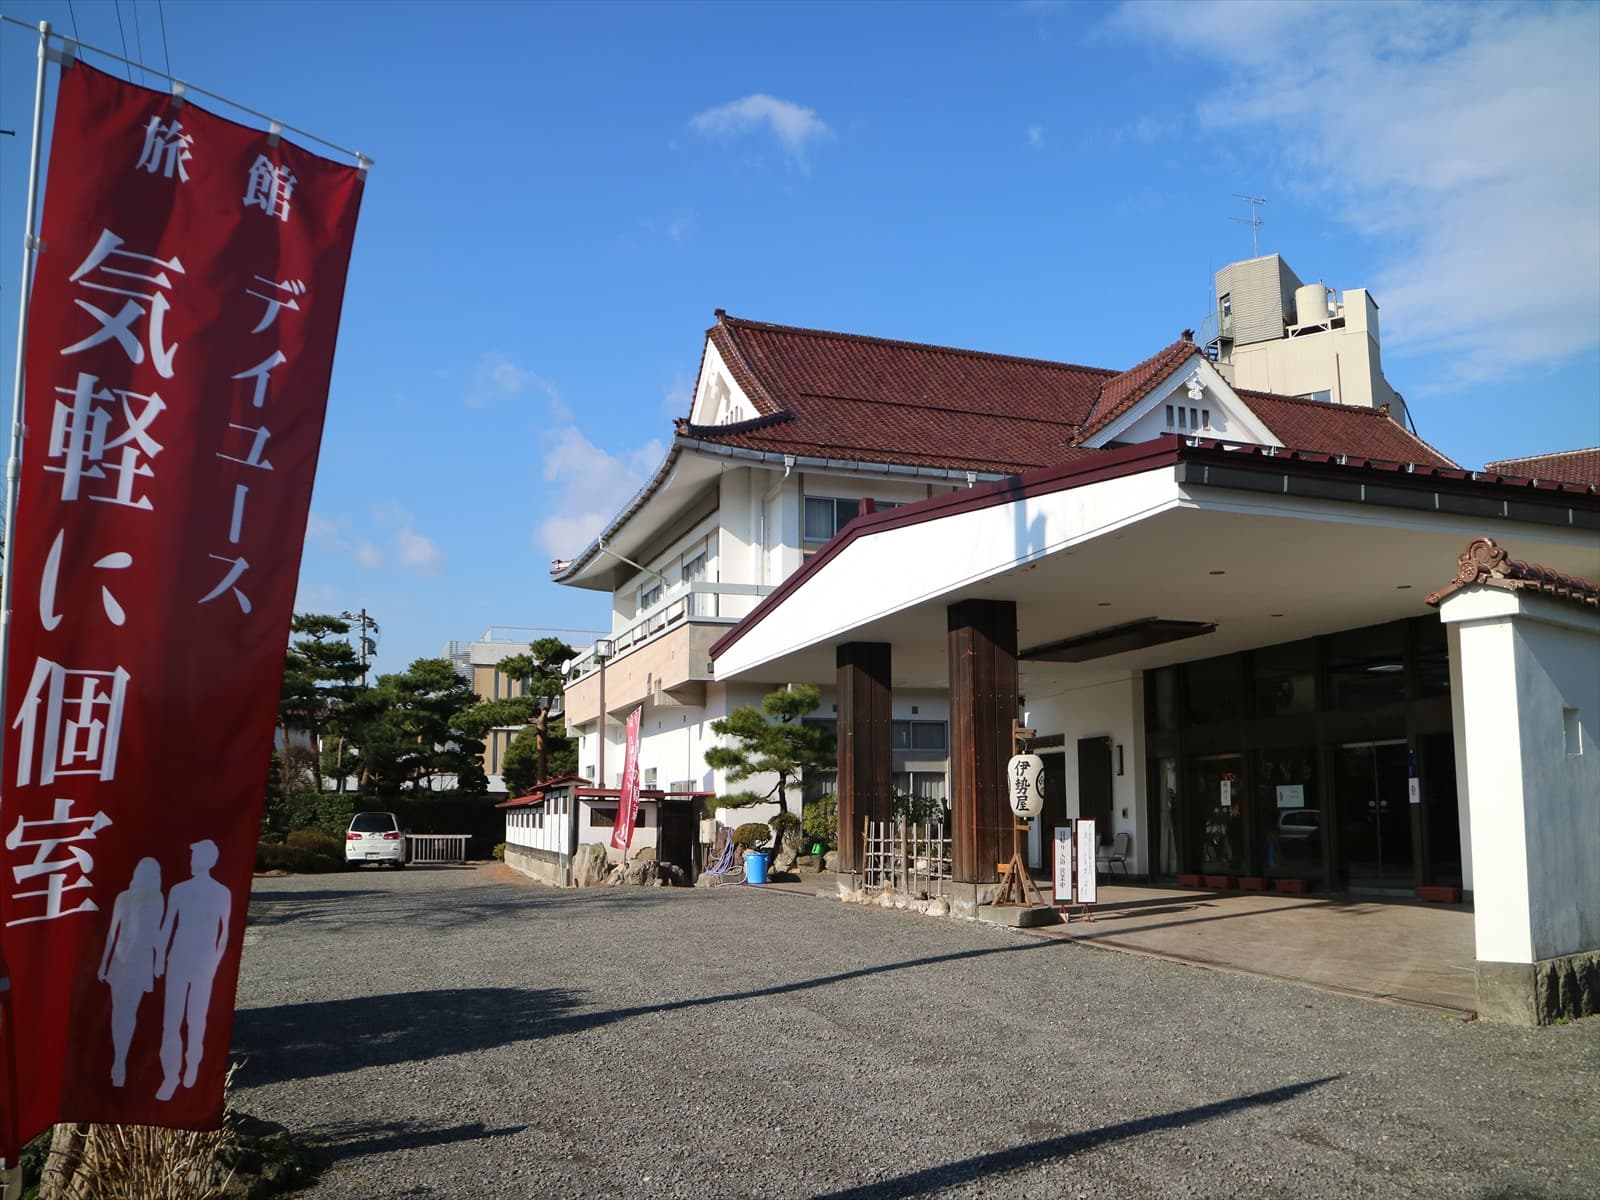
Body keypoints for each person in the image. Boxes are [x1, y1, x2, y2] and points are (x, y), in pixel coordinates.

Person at [156, 839, 232, 1102]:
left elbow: (224, 934)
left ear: (208, 860)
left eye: (196, 856)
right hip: (177, 960)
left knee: (197, 1018)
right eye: (192, 856)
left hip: (203, 962)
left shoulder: (222, 892)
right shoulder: (178, 890)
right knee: (172, 1020)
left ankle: (192, 1068)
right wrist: (159, 960)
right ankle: (170, 1076)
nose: (191, 861)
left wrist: (216, 963)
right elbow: (167, 926)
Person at [96, 857, 166, 1088]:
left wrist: (104, 964)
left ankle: (119, 1062)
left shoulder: (124, 897)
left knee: (120, 1012)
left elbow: (112, 935)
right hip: (140, 961)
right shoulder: (156, 898)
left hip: (121, 960)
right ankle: (120, 1061)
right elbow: (156, 935)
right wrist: (159, 963)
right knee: (129, 1012)